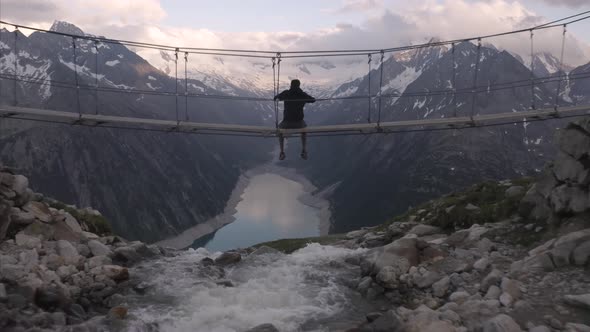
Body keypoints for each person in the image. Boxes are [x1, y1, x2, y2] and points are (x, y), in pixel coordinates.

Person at [274, 79, 315, 160]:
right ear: (299, 85)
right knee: (304, 131)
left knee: (279, 131)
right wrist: (304, 97)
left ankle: (282, 152)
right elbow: (313, 100)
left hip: (286, 122)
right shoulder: (302, 94)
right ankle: (304, 150)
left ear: (291, 85)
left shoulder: (286, 93)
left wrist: (280, 98)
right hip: (299, 122)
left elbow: (276, 98)